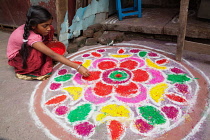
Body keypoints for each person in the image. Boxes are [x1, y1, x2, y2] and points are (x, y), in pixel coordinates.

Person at [7, 5, 90, 80]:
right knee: (40, 54)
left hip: (29, 45)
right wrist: (78, 67)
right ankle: (31, 69)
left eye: (49, 24)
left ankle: (44, 48)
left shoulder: (34, 28)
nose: (48, 28)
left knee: (51, 29)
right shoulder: (32, 38)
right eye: (44, 26)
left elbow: (48, 30)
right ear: (33, 25)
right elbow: (53, 54)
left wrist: (52, 38)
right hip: (19, 58)